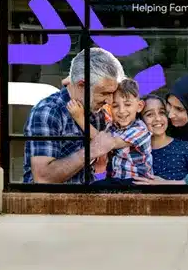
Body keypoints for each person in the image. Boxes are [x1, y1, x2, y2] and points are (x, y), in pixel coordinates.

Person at [24, 47, 131, 184]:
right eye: (104, 93)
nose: (109, 101)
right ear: (81, 85)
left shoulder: (98, 111)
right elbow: (43, 178)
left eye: (112, 93)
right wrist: (92, 150)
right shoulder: (48, 112)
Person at [140, 94, 188, 182]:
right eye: (150, 114)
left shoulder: (183, 147)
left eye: (162, 112)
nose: (158, 118)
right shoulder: (136, 152)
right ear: (140, 120)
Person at [101, 78, 153, 181]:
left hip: (136, 181)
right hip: (117, 178)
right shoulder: (113, 126)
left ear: (139, 106)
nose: (121, 110)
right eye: (115, 106)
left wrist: (80, 118)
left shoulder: (140, 130)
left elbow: (107, 142)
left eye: (127, 104)